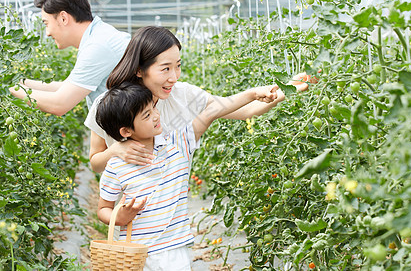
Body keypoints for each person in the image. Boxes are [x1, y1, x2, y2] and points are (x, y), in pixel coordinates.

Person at [95, 81, 279, 270]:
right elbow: (103, 209)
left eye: (154, 109)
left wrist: (253, 94)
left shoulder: (178, 144)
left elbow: (212, 111)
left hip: (176, 251)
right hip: (136, 255)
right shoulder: (116, 166)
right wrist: (120, 218)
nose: (156, 116)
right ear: (126, 131)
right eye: (147, 115)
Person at [84, 26, 296, 173]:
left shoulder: (183, 95)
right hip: (131, 215)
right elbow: (95, 162)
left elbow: (246, 111)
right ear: (140, 69)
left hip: (173, 212)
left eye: (178, 65)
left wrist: (289, 88)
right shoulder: (107, 105)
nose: (174, 77)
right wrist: (116, 150)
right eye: (165, 68)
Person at [9, 0, 130, 115]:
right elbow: (64, 87)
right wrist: (21, 82)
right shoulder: (97, 37)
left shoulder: (98, 45)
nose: (47, 33)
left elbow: (59, 104)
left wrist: (8, 88)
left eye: (46, 23)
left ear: (63, 18)